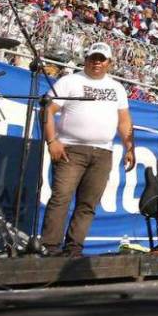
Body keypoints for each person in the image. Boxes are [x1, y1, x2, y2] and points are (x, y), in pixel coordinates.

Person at [40, 42, 135, 256]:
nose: (97, 63)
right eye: (93, 58)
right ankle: (49, 247)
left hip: (103, 153)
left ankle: (74, 249)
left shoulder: (117, 88)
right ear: (86, 60)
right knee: (61, 198)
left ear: (109, 63)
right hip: (70, 150)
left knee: (88, 204)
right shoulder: (70, 81)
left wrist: (130, 147)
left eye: (101, 59)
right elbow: (47, 108)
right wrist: (52, 141)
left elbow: (124, 121)